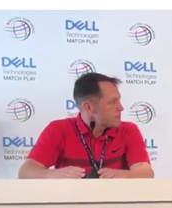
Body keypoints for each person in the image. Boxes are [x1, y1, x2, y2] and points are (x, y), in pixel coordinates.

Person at [18, 73, 155, 179]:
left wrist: (122, 176)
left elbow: (146, 172)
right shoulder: (58, 129)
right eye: (112, 102)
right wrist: (53, 175)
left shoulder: (128, 130)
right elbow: (26, 172)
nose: (121, 108)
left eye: (119, 100)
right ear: (88, 107)